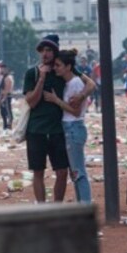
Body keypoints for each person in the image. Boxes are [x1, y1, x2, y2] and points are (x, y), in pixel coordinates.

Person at [23, 34, 96, 203]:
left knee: (62, 171)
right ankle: (42, 209)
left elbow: (90, 84)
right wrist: (41, 78)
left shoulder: (62, 69)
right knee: (38, 171)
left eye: (49, 50)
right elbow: (32, 102)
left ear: (55, 52)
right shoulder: (32, 73)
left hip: (58, 130)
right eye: (42, 50)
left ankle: (57, 208)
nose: (45, 54)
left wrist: (81, 96)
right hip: (36, 130)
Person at [43, 49, 93, 205]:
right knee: (75, 172)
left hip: (73, 127)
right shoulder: (71, 83)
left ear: (68, 67)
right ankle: (82, 204)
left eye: (59, 65)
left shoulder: (75, 83)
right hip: (71, 128)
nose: (56, 68)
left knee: (79, 172)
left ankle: (85, 205)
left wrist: (55, 100)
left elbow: (76, 112)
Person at [0, 66, 14, 130]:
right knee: (3, 112)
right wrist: (0, 97)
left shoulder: (8, 78)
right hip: (3, 96)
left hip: (7, 96)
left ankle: (9, 125)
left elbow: (7, 89)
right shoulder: (4, 77)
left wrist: (4, 98)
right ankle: (5, 125)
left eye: (3, 69)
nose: (2, 71)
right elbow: (2, 89)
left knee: (8, 111)